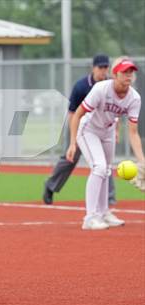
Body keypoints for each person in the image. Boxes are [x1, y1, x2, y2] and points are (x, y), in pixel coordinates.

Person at [66, 56, 144, 230]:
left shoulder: (134, 98)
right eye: (125, 72)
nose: (129, 75)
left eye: (131, 72)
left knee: (107, 170)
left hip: (107, 132)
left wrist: (142, 161)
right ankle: (90, 217)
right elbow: (77, 114)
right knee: (99, 168)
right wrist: (72, 143)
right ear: (115, 75)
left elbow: (133, 133)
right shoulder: (101, 89)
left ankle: (103, 213)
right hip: (88, 130)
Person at [43, 54, 117, 205]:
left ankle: (108, 196)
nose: (103, 70)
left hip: (102, 129)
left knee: (104, 162)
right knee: (70, 159)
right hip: (82, 129)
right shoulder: (81, 86)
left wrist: (116, 130)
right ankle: (50, 186)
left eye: (106, 67)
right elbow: (72, 113)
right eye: (100, 67)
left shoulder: (110, 85)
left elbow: (114, 110)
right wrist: (73, 139)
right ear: (93, 68)